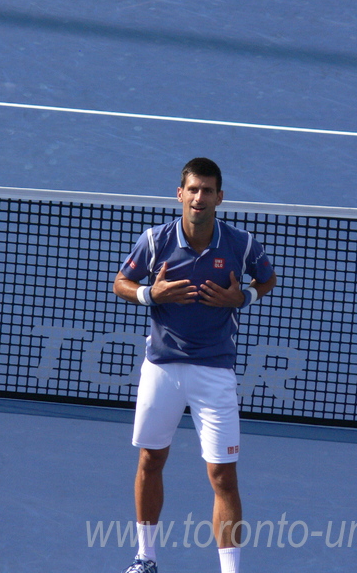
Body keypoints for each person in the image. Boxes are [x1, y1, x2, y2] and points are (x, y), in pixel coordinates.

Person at [113, 157, 277, 573]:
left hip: (214, 372)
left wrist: (243, 299)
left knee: (223, 476)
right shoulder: (154, 241)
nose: (200, 197)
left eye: (208, 190)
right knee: (151, 460)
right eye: (193, 189)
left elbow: (266, 279)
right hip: (162, 369)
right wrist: (153, 294)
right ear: (180, 194)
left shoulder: (241, 244)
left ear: (220, 197)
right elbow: (121, 283)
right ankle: (145, 558)